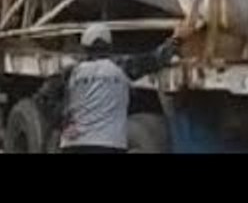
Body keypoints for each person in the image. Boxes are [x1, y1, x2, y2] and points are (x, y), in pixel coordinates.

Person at [53, 23, 178, 154]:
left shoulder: (71, 72)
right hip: (109, 145)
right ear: (110, 46)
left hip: (74, 145)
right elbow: (155, 59)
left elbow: (43, 99)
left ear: (84, 47)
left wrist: (63, 123)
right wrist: (176, 40)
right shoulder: (120, 67)